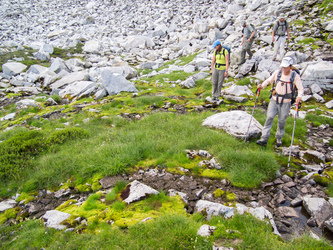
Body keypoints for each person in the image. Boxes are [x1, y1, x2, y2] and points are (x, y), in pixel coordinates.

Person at [256, 56, 304, 147]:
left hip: (286, 102)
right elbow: (269, 80)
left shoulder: (295, 76)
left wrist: (299, 96)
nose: (284, 69)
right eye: (283, 67)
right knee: (269, 117)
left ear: (290, 66)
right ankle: (264, 138)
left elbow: (300, 88)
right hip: (274, 99)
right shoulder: (278, 73)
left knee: (282, 121)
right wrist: (262, 86)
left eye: (286, 67)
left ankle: (279, 137)